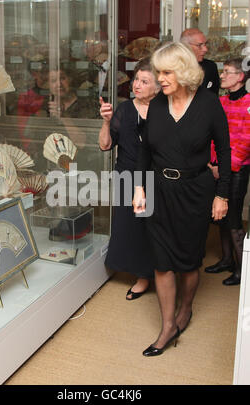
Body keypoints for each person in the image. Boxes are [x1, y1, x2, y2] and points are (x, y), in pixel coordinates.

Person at [133, 42, 231, 356]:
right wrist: (139, 188)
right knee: (162, 263)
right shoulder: (158, 105)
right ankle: (167, 327)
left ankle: (185, 309)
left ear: (184, 71)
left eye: (166, 72)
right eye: (158, 71)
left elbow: (225, 154)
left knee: (189, 263)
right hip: (160, 191)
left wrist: (222, 194)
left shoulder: (209, 104)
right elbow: (145, 150)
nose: (160, 78)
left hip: (195, 192)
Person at [99, 57, 159, 300]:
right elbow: (105, 145)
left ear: (158, 86)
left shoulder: (165, 109)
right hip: (126, 174)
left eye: (145, 81)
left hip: (154, 177)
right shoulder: (123, 109)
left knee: (151, 227)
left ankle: (153, 274)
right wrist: (105, 122)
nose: (137, 85)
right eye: (136, 79)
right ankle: (142, 275)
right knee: (131, 226)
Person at [205, 58, 250, 286]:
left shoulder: (249, 103)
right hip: (218, 168)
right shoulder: (220, 101)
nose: (221, 76)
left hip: (237, 171)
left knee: (233, 220)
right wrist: (212, 164)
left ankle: (243, 270)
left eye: (227, 72)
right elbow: (213, 136)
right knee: (219, 218)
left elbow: (245, 142)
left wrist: (221, 169)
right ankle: (226, 261)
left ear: (240, 77)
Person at [180, 28, 220, 95]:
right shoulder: (173, 68)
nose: (205, 49)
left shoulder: (210, 67)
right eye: (199, 45)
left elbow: (214, 97)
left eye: (205, 44)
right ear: (185, 46)